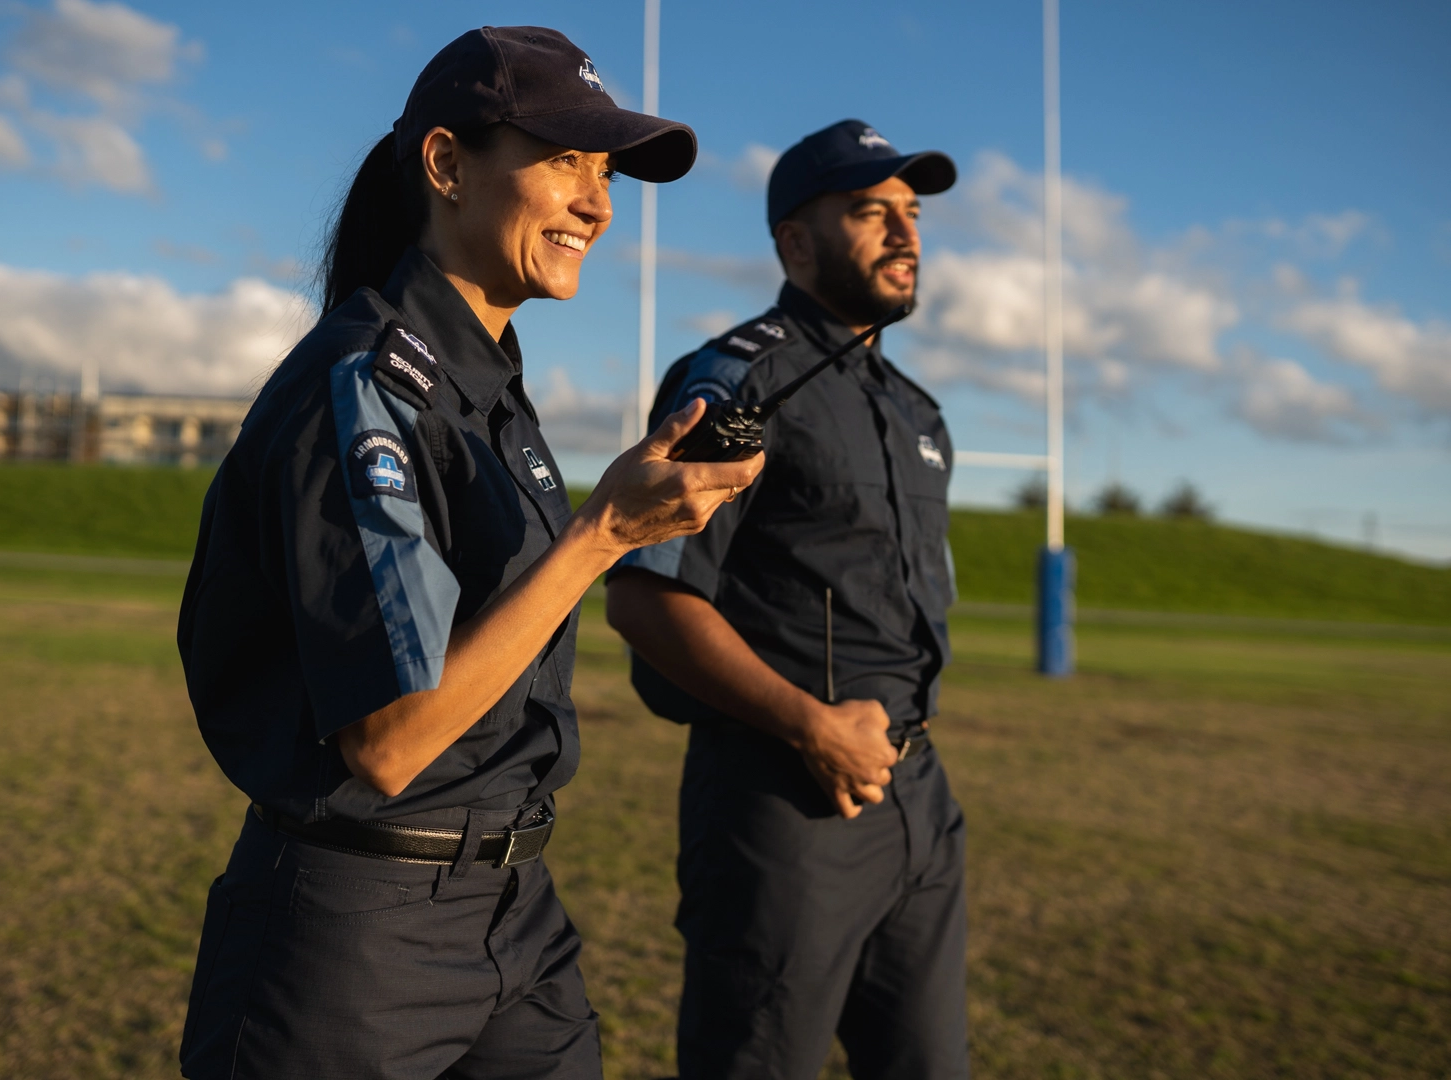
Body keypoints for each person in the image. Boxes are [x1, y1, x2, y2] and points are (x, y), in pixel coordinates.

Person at [175, 27, 761, 1080]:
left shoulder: (488, 389)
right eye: (565, 160)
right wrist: (605, 535)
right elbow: (392, 742)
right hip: (357, 941)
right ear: (447, 166)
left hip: (515, 913)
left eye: (606, 169)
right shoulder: (360, 386)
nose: (599, 203)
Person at [606, 119, 968, 1080]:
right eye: (869, 211)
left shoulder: (915, 410)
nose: (905, 233)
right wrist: (810, 725)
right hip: (783, 805)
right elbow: (645, 597)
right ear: (795, 242)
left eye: (912, 212)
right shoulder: (737, 387)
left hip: (916, 799)